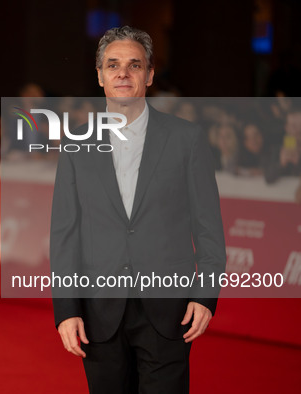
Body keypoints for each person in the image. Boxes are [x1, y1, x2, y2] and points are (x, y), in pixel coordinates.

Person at [50, 26, 226, 393]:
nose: (123, 74)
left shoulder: (186, 139)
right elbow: (65, 234)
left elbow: (208, 227)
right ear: (100, 76)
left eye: (134, 65)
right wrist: (66, 310)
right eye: (112, 65)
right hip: (99, 310)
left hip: (169, 309)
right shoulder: (76, 145)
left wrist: (205, 295)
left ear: (149, 74)